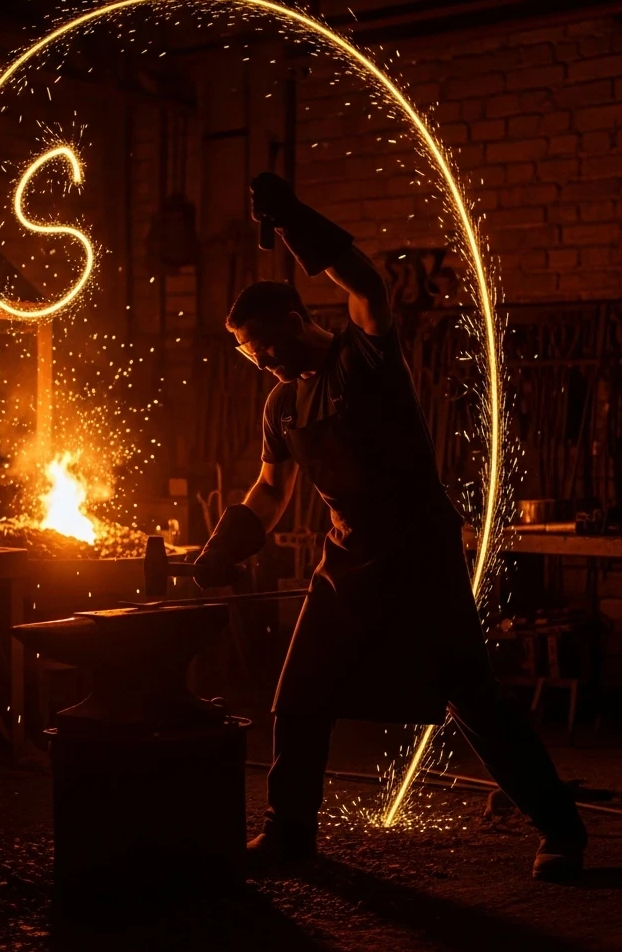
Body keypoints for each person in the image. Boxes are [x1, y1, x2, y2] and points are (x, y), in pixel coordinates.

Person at [193, 172, 587, 882]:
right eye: (248, 355)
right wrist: (229, 543)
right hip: (345, 563)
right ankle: (289, 833)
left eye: (265, 346)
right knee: (299, 696)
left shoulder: (364, 357)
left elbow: (368, 284)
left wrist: (294, 220)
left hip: (418, 555)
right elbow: (272, 489)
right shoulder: (283, 406)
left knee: (473, 698)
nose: (262, 362)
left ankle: (562, 830)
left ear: (294, 320)